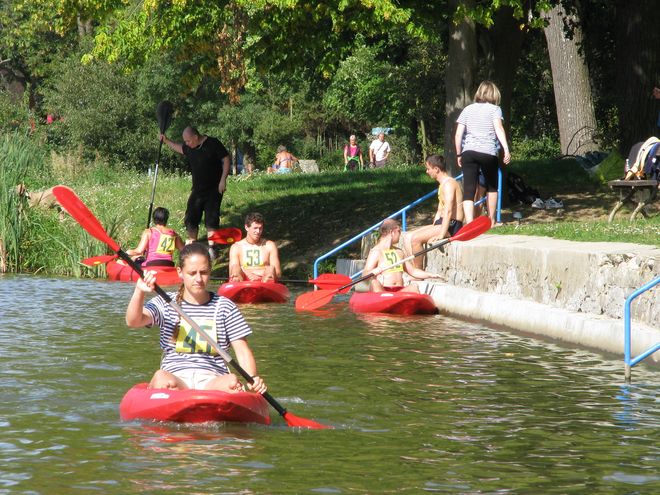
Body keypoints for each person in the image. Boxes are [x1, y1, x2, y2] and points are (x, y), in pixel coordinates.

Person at [125, 242, 267, 394]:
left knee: (232, 381)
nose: (198, 279)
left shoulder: (225, 307)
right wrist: (139, 291)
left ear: (210, 271)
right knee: (161, 377)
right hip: (175, 377)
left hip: (213, 379)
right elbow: (133, 321)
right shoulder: (165, 302)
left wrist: (253, 378)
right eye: (192, 273)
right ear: (180, 272)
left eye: (203, 272)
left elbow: (242, 350)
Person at [161, 127, 231, 252]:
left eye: (188, 141)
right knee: (191, 217)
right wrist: (166, 141)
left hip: (214, 189)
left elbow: (226, 159)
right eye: (185, 141)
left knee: (211, 219)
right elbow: (180, 148)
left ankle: (212, 248)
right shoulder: (190, 147)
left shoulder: (213, 143)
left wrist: (223, 180)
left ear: (195, 136)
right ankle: (193, 244)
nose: (186, 143)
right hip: (197, 190)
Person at [455, 80, 511, 226]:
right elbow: (499, 129)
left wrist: (459, 154)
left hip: (468, 152)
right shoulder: (495, 109)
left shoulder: (467, 109)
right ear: (494, 94)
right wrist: (506, 149)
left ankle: (470, 223)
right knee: (492, 187)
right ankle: (491, 220)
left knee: (469, 189)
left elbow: (458, 134)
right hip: (488, 152)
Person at [402, 154, 464, 270]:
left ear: (436, 169)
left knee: (415, 239)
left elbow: (449, 210)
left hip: (452, 225)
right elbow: (440, 209)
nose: (427, 171)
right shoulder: (442, 185)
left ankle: (418, 271)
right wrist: (434, 226)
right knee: (407, 237)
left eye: (428, 168)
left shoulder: (449, 184)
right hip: (442, 222)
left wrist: (441, 233)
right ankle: (415, 269)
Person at [363, 219, 441, 293]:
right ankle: (383, 299)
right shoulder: (376, 252)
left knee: (414, 287)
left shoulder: (399, 252)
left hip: (399, 291)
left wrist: (430, 275)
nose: (400, 234)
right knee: (374, 283)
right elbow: (364, 275)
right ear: (392, 232)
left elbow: (413, 271)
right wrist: (374, 271)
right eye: (399, 231)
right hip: (383, 291)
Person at [229, 212, 282, 282]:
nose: (258, 231)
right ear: (246, 227)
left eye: (260, 228)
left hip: (264, 281)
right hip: (243, 282)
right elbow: (232, 272)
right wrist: (259, 271)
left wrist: (254, 273)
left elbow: (278, 273)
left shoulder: (269, 245)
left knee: (270, 269)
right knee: (235, 269)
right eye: (255, 228)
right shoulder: (236, 247)